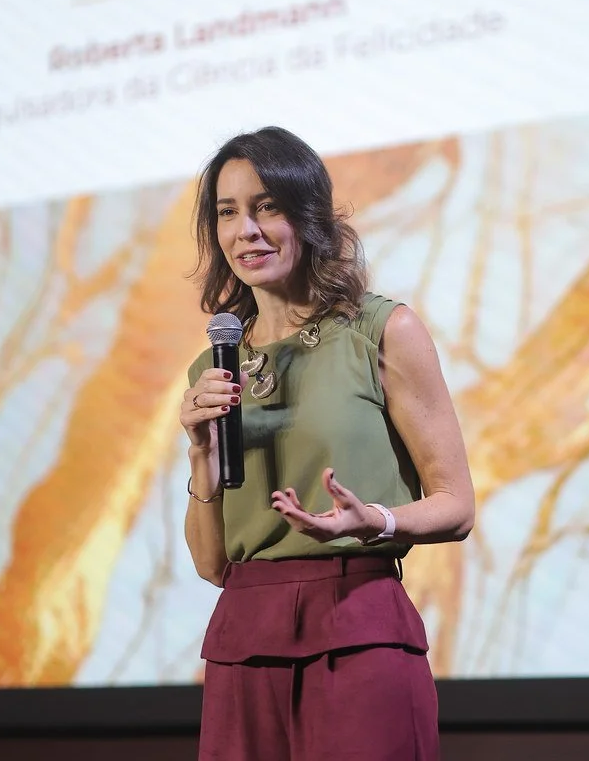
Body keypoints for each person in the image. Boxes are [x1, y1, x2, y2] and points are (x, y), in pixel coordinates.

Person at [180, 126, 475, 760]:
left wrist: (378, 520)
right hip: (242, 642)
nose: (246, 231)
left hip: (359, 624)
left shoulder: (382, 330)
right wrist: (200, 454)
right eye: (227, 212)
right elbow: (211, 566)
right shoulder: (215, 364)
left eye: (267, 206)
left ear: (307, 215)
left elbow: (456, 504)